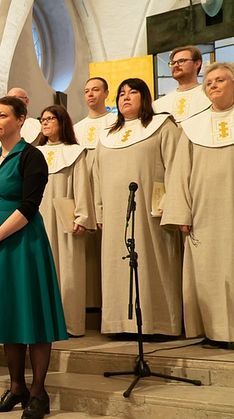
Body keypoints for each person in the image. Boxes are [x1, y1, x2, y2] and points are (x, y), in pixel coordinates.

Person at [0, 96, 67, 419]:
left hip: (22, 243)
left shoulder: (32, 157)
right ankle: (16, 385)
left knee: (32, 315)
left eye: (2, 115)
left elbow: (28, 206)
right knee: (9, 315)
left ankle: (38, 392)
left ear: (21, 119)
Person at [95, 78, 183, 336]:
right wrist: (100, 211)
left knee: (153, 261)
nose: (126, 97)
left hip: (152, 211)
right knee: (116, 263)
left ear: (145, 97)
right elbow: (97, 178)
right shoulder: (107, 136)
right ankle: (118, 323)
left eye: (133, 92)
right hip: (114, 215)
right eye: (121, 93)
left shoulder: (162, 127)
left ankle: (159, 323)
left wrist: (174, 207)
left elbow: (176, 168)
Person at [162, 62, 234, 349]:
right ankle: (216, 330)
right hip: (204, 212)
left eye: (220, 81)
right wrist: (182, 212)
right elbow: (180, 174)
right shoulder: (192, 127)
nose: (213, 86)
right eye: (209, 83)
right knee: (209, 271)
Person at [35, 105, 96, 337]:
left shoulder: (74, 152)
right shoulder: (34, 153)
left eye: (51, 118)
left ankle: (70, 323)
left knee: (68, 268)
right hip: (37, 217)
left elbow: (82, 186)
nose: (46, 122)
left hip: (65, 216)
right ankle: (43, 320)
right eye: (43, 119)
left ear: (62, 122)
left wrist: (82, 216)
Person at [73, 77, 114, 312]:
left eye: (96, 89)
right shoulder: (77, 128)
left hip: (105, 187)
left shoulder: (114, 122)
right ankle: (90, 302)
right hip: (82, 188)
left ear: (106, 93)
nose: (90, 94)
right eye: (87, 90)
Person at [153, 45, 211, 122]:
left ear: (197, 64)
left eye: (181, 61)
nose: (176, 65)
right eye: (173, 63)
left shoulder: (210, 96)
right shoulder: (159, 105)